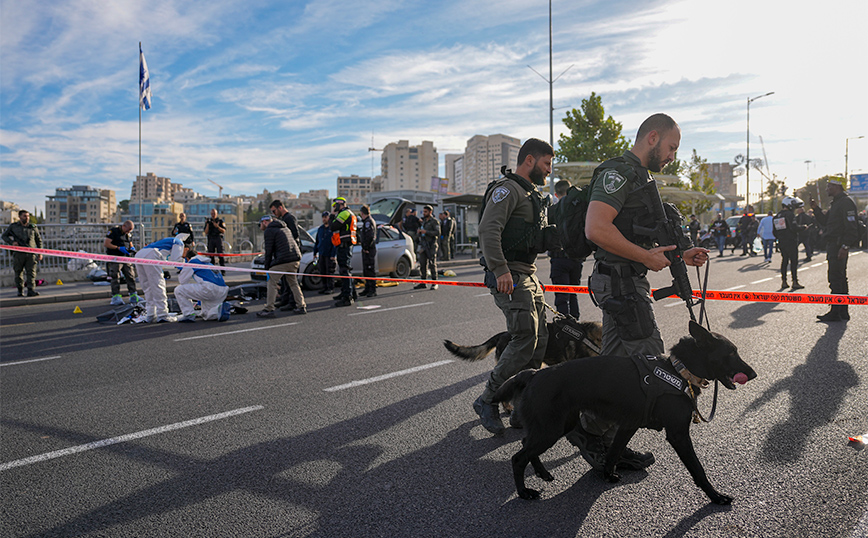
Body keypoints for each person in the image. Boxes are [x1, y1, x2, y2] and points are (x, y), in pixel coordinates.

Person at [579, 113, 709, 471]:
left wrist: (680, 255)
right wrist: (644, 258)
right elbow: (596, 228)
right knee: (649, 369)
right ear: (652, 137)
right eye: (671, 147)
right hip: (620, 282)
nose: (672, 156)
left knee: (617, 370)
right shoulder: (617, 173)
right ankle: (596, 434)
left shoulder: (640, 178)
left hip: (626, 280)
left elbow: (634, 235)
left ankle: (597, 435)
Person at [473, 138, 554, 436]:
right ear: (529, 160)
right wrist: (500, 268)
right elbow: (488, 229)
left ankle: (522, 406)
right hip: (510, 276)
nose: (548, 171)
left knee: (539, 340)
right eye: (545, 164)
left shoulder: (529, 193)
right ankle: (488, 400)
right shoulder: (506, 190)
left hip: (527, 274)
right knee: (523, 339)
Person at [811, 179, 859, 322]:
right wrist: (816, 209)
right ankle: (842, 311)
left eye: (829, 186)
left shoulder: (845, 202)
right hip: (834, 245)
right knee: (839, 279)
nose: (827, 189)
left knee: (836, 279)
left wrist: (845, 246)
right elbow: (826, 222)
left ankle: (836, 312)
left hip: (839, 246)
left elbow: (852, 227)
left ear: (837, 187)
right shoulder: (837, 203)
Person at [256, 215, 306, 317]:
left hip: (284, 260)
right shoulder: (284, 227)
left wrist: (267, 267)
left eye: (260, 224)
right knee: (293, 282)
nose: (260, 226)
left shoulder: (269, 231)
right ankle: (301, 306)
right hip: (295, 258)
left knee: (272, 282)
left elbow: (269, 251)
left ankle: (269, 309)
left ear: (264, 222)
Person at [134, 234, 191, 323]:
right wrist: (186, 265)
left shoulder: (168, 241)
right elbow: (176, 261)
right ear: (186, 249)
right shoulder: (179, 243)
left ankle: (150, 314)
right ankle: (162, 314)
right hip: (151, 255)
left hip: (139, 254)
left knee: (147, 287)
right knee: (158, 285)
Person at [548, 179, 584, 318]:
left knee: (562, 296)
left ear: (556, 195)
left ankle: (565, 326)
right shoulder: (579, 208)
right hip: (576, 259)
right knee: (574, 293)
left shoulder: (553, 211)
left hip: (558, 259)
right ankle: (576, 323)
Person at [175, 249, 231, 322]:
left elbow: (182, 281)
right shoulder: (208, 263)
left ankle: (189, 314)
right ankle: (218, 309)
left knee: (179, 290)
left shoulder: (193, 261)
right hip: (222, 290)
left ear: (187, 258)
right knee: (207, 315)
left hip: (210, 289)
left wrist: (184, 267)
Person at [2, 210, 43, 297]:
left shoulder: (32, 227)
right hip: (19, 254)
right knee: (18, 272)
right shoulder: (13, 227)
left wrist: (40, 252)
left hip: (31, 254)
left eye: (28, 216)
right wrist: (12, 242)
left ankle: (31, 290)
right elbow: (4, 236)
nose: (27, 218)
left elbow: (38, 240)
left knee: (31, 273)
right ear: (20, 217)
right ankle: (20, 291)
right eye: (25, 216)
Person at [269, 200, 301, 311]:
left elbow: (295, 235)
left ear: (280, 208)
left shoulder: (289, 219)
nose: (274, 214)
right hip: (286, 254)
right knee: (286, 280)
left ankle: (292, 302)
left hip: (291, 254)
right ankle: (285, 299)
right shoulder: (284, 220)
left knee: (291, 281)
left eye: (274, 211)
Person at [104, 220, 141, 305]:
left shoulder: (127, 234)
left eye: (130, 230)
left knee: (130, 276)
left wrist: (132, 248)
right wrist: (118, 248)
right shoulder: (113, 231)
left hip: (126, 258)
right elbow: (106, 243)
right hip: (115, 257)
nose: (128, 232)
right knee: (115, 277)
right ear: (124, 226)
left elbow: (130, 243)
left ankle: (133, 295)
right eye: (128, 230)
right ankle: (116, 296)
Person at [329, 197, 357, 307]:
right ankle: (351, 293)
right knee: (346, 270)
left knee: (345, 271)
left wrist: (332, 215)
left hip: (344, 245)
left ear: (339, 204)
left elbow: (333, 226)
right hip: (346, 244)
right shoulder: (348, 213)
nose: (334, 208)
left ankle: (347, 297)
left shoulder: (344, 213)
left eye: (335, 206)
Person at [773, 197, 806, 291]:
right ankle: (795, 282)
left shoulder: (777, 216)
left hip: (782, 242)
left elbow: (774, 232)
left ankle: (784, 281)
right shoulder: (790, 215)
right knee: (794, 262)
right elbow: (793, 227)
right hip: (791, 241)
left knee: (784, 261)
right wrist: (803, 227)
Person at [415, 205, 441, 290]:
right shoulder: (423, 221)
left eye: (426, 212)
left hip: (431, 245)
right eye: (423, 211)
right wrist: (419, 232)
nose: (424, 213)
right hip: (423, 245)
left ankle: (434, 282)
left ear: (430, 212)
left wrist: (427, 232)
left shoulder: (434, 221)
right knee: (422, 264)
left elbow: (437, 232)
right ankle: (423, 282)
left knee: (432, 264)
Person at [313, 211, 337, 295]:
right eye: (323, 217)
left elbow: (335, 243)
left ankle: (330, 287)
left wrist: (333, 255)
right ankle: (324, 287)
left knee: (329, 271)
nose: (324, 219)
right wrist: (315, 252)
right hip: (321, 253)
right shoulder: (321, 229)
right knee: (322, 271)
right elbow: (317, 241)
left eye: (325, 217)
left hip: (329, 254)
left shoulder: (332, 229)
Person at [358, 205, 378, 297]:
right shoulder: (367, 221)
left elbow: (370, 236)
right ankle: (367, 288)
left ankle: (372, 289)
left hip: (369, 250)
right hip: (367, 249)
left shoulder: (368, 222)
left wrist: (366, 248)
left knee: (370, 270)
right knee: (366, 270)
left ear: (362, 213)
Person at [203, 208, 226, 274]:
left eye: (214, 214)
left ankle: (223, 270)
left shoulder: (220, 221)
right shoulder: (209, 221)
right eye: (212, 214)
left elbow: (223, 230)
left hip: (218, 238)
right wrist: (207, 224)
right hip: (211, 239)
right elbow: (206, 232)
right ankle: (212, 270)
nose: (213, 215)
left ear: (217, 214)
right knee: (211, 255)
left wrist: (217, 226)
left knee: (220, 254)